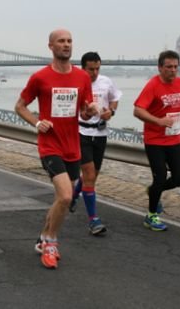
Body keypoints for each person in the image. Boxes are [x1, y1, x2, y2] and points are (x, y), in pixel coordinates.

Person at [14, 29, 98, 269]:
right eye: (61, 41)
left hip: (73, 146)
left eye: (69, 41)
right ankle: (51, 243)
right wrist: (38, 123)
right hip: (50, 145)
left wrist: (90, 110)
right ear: (50, 46)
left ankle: (42, 237)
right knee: (66, 196)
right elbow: (20, 107)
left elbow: (83, 110)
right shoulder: (40, 77)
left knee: (60, 200)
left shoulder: (82, 77)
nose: (66, 45)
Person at [133, 50, 180, 231]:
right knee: (160, 176)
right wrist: (159, 121)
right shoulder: (153, 85)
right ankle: (151, 215)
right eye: (169, 67)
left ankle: (154, 190)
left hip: (173, 139)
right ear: (160, 67)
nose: (173, 70)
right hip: (154, 140)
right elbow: (138, 110)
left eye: (175, 67)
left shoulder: (179, 83)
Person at [69, 52, 122, 236]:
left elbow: (115, 98)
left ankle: (75, 195)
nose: (95, 72)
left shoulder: (106, 81)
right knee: (89, 174)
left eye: (98, 68)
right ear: (83, 68)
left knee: (91, 177)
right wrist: (85, 114)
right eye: (91, 69)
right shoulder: (75, 82)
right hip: (81, 132)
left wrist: (111, 112)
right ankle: (93, 220)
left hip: (100, 133)